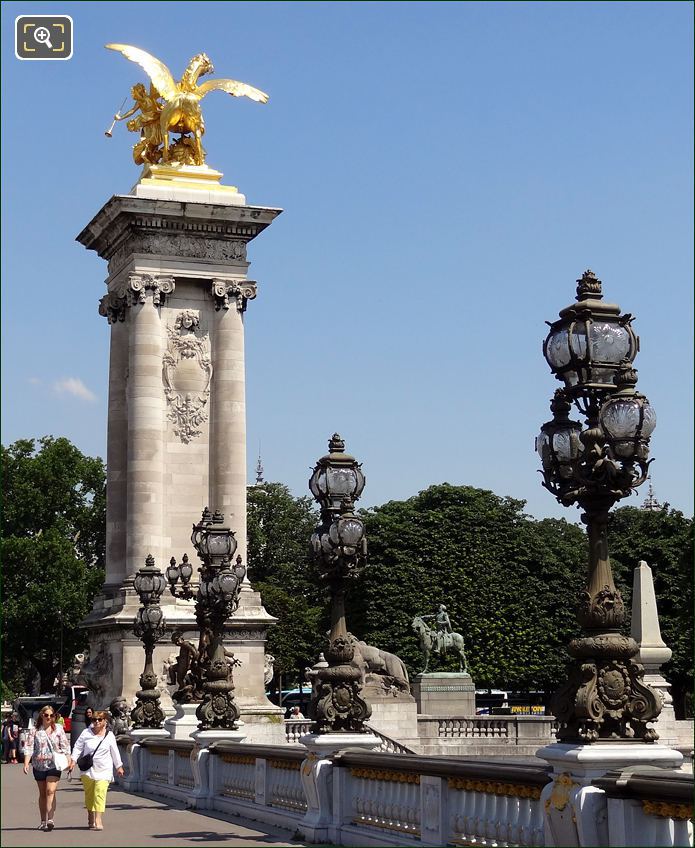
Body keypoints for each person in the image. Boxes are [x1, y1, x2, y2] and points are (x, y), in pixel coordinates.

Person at [68, 710, 124, 831]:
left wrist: (119, 766)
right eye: (94, 720)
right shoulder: (86, 733)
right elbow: (77, 747)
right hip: (88, 769)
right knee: (90, 794)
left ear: (105, 721)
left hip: (104, 769)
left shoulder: (109, 736)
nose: (97, 722)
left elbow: (115, 751)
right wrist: (72, 761)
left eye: (100, 720)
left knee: (100, 793)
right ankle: (90, 815)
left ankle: (98, 819)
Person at [23, 706, 70, 831]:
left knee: (50, 791)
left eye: (51, 715)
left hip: (54, 764)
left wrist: (69, 761)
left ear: (54, 716)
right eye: (46, 715)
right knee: (43, 793)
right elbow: (29, 747)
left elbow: (65, 746)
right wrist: (26, 763)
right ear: (41, 716)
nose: (49, 717)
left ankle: (50, 819)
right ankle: (43, 820)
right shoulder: (35, 730)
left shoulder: (58, 729)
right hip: (38, 765)